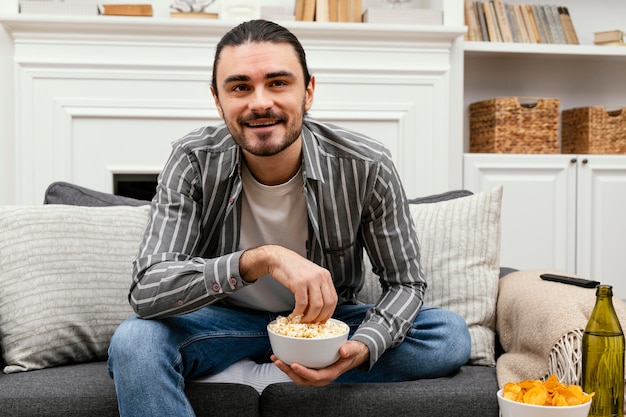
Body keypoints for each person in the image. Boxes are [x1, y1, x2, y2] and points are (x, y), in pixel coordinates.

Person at [107, 19, 471, 417]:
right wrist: (262, 258)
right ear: (217, 99)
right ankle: (254, 367)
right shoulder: (192, 160)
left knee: (447, 335)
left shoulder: (367, 164)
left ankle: (264, 374)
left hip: (321, 329)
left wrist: (361, 347)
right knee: (134, 343)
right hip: (222, 324)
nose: (260, 103)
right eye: (240, 87)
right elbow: (146, 290)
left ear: (308, 91)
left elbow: (405, 284)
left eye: (278, 83)